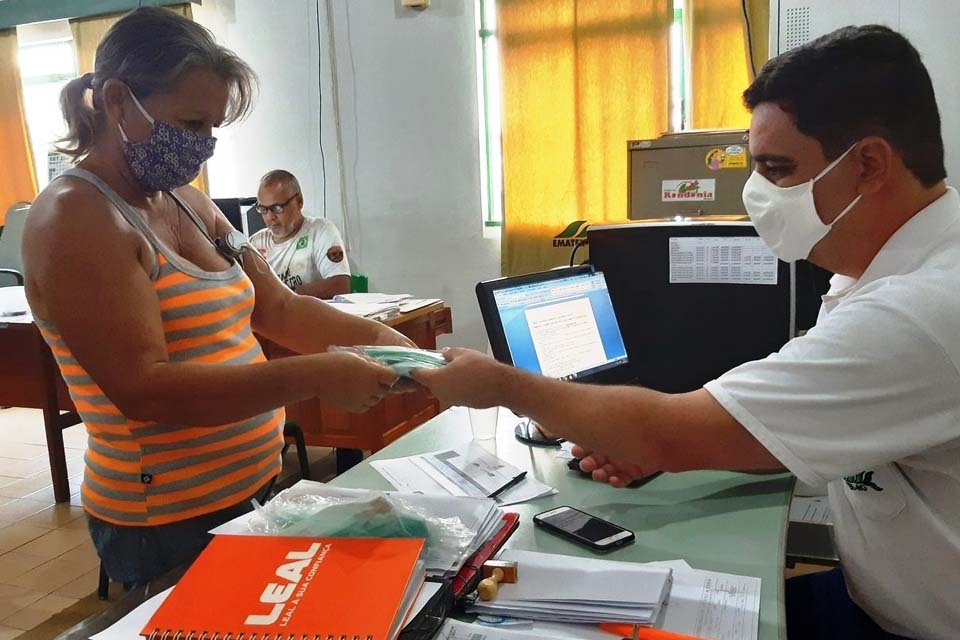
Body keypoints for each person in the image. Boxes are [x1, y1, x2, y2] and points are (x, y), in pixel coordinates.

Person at [414, 25, 959, 640]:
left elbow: (676, 430)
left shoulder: (920, 309)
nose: (758, 195)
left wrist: (503, 385)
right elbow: (773, 431)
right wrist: (674, 454)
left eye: (778, 170)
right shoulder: (872, 272)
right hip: (880, 598)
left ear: (868, 164)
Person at [21, 7, 413, 588]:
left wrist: (391, 343)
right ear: (117, 102)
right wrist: (321, 375)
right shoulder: (76, 217)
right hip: (169, 519)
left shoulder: (185, 199)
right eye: (189, 122)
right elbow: (144, 389)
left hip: (251, 486)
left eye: (212, 128)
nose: (202, 146)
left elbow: (277, 308)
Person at [249, 170, 351, 299]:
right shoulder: (255, 244)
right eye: (263, 209)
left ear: (299, 201)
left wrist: (284, 296)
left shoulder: (320, 231)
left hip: (313, 316)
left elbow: (340, 285)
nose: (270, 217)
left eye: (278, 208)